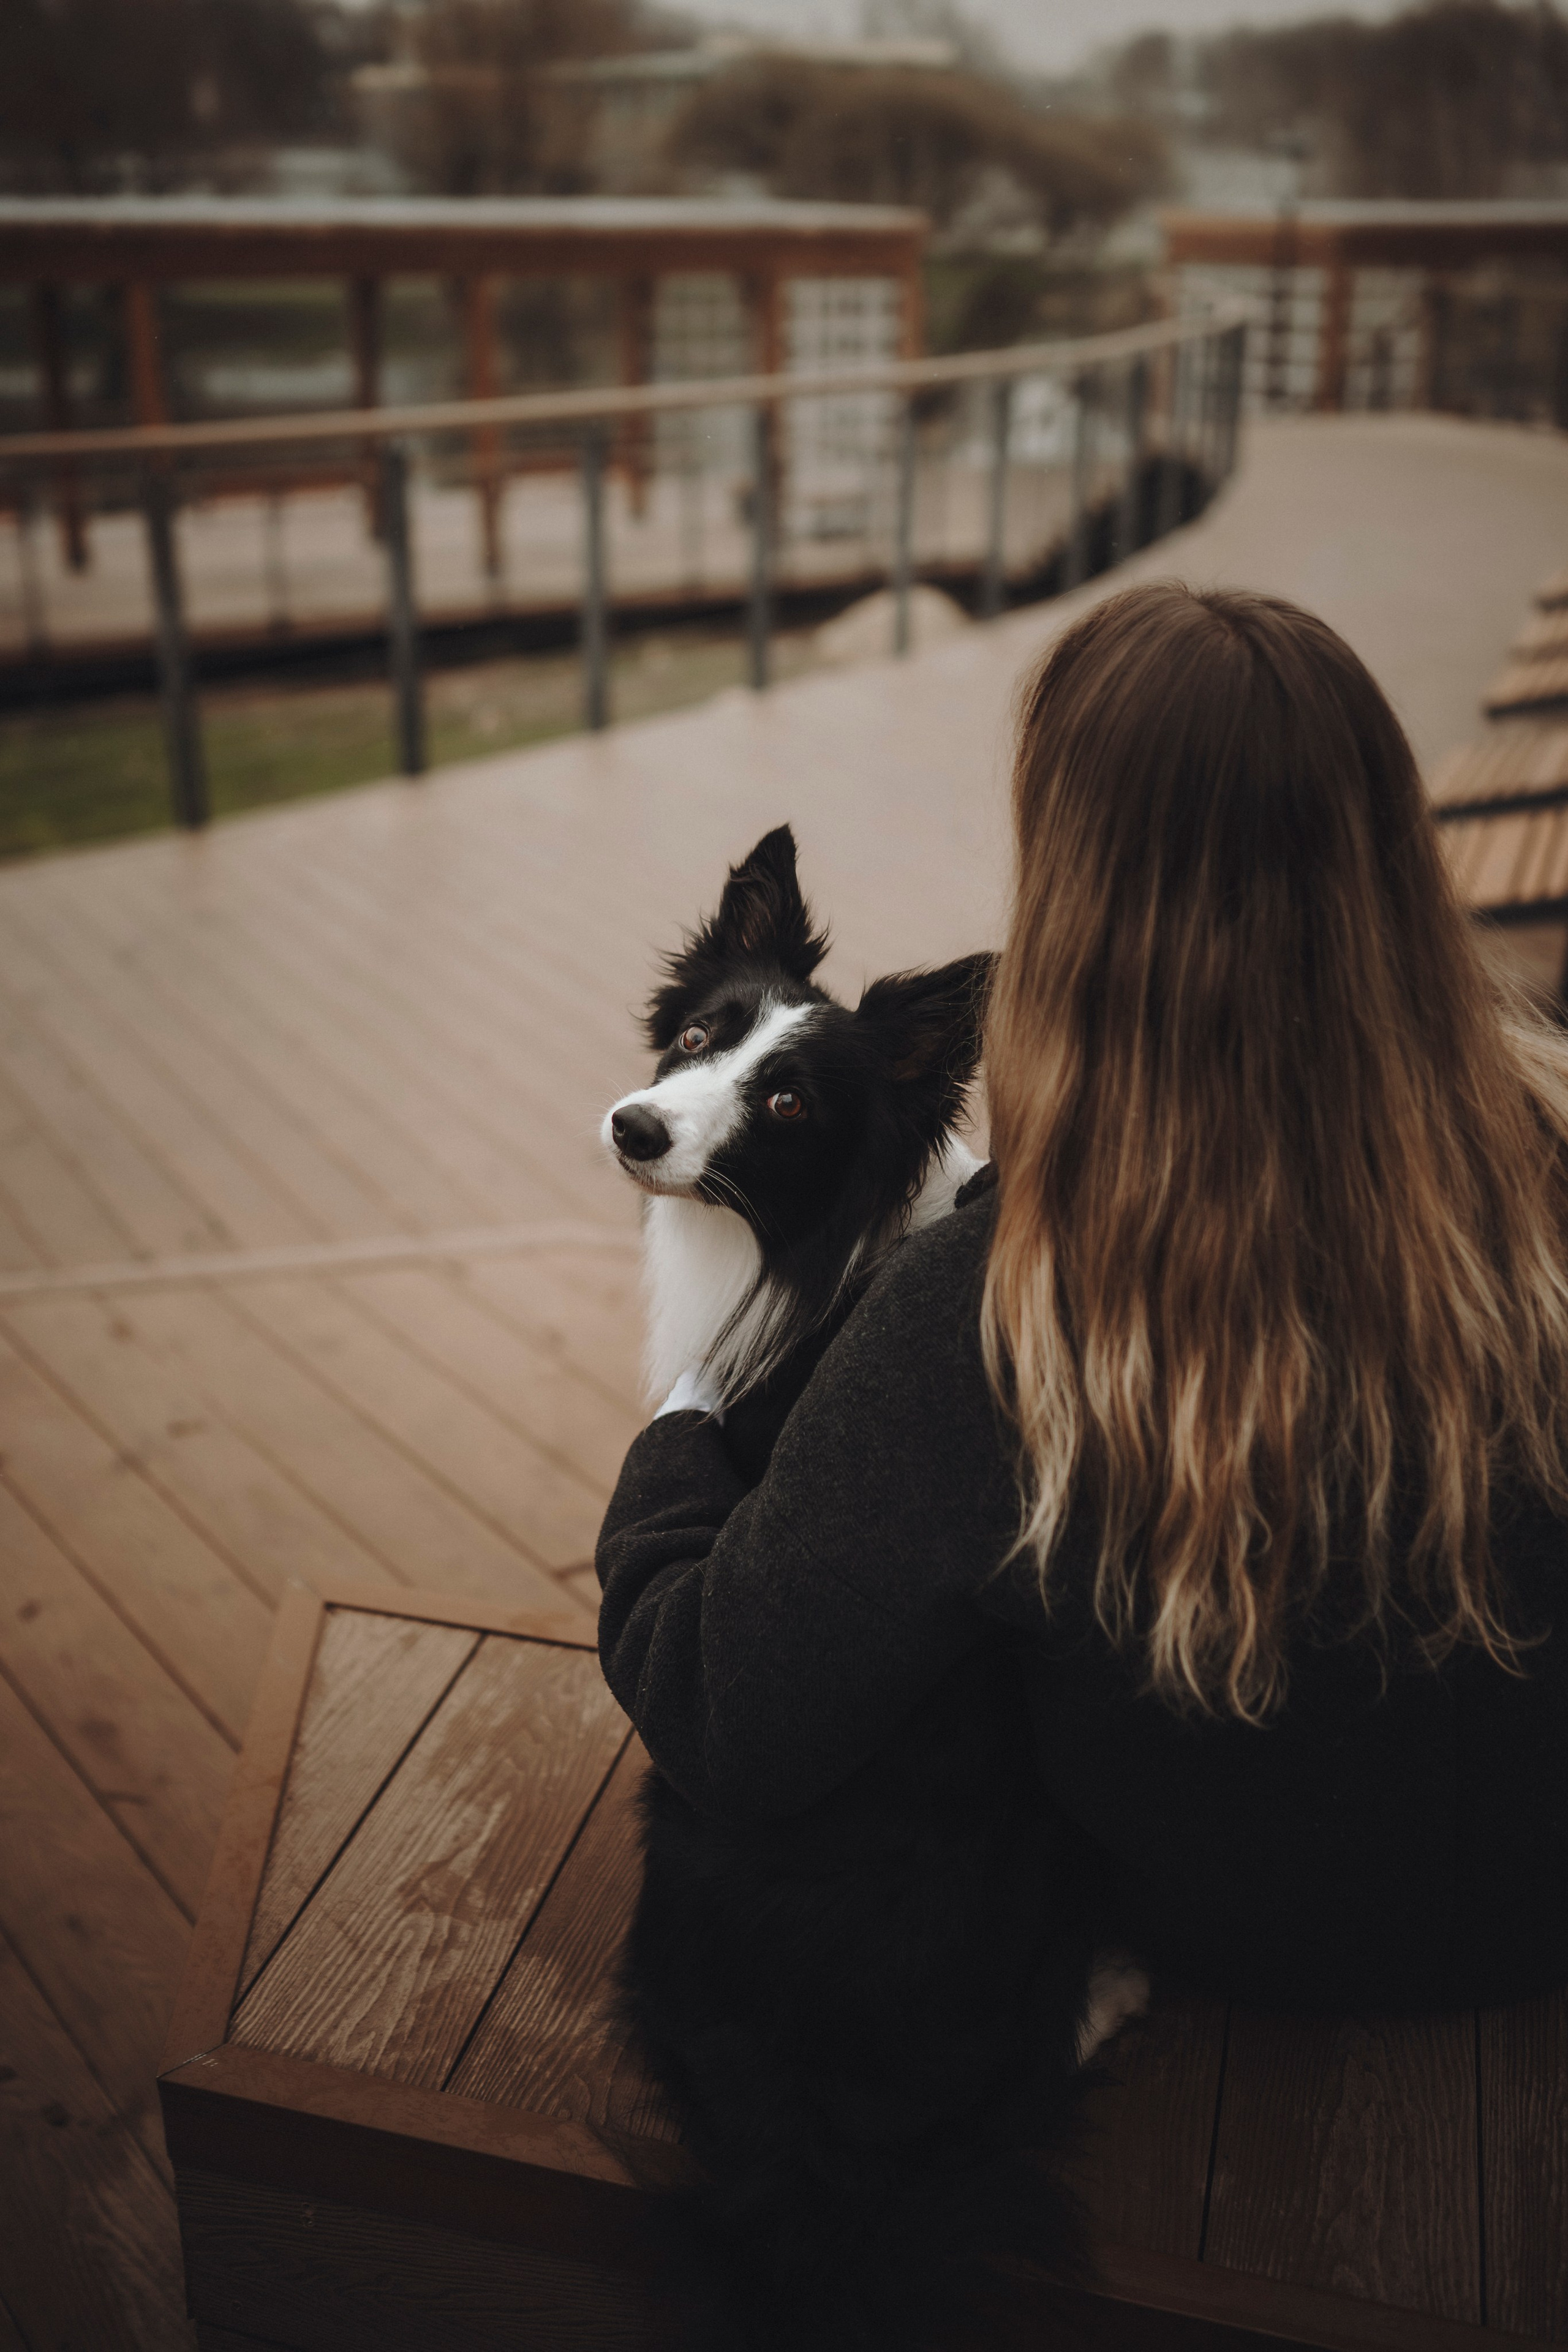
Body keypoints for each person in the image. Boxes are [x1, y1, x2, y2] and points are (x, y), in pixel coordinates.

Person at [595, 582, 1568, 2344]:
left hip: (1248, 1936)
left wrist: (683, 1425)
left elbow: (724, 1698)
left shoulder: (1021, 1286)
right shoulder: (1549, 1145)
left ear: (1077, 888)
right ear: (1392, 850)